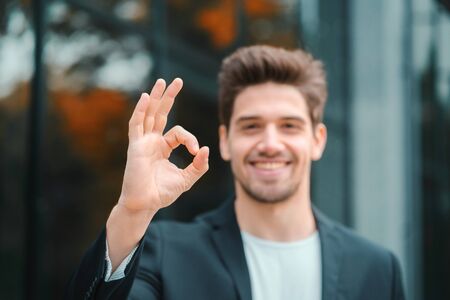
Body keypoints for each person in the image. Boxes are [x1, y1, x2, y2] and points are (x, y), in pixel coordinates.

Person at [66, 45, 405, 300]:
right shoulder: (165, 250)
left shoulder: (376, 268)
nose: (270, 143)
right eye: (251, 126)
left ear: (317, 141)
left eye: (289, 126)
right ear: (226, 141)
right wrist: (132, 211)